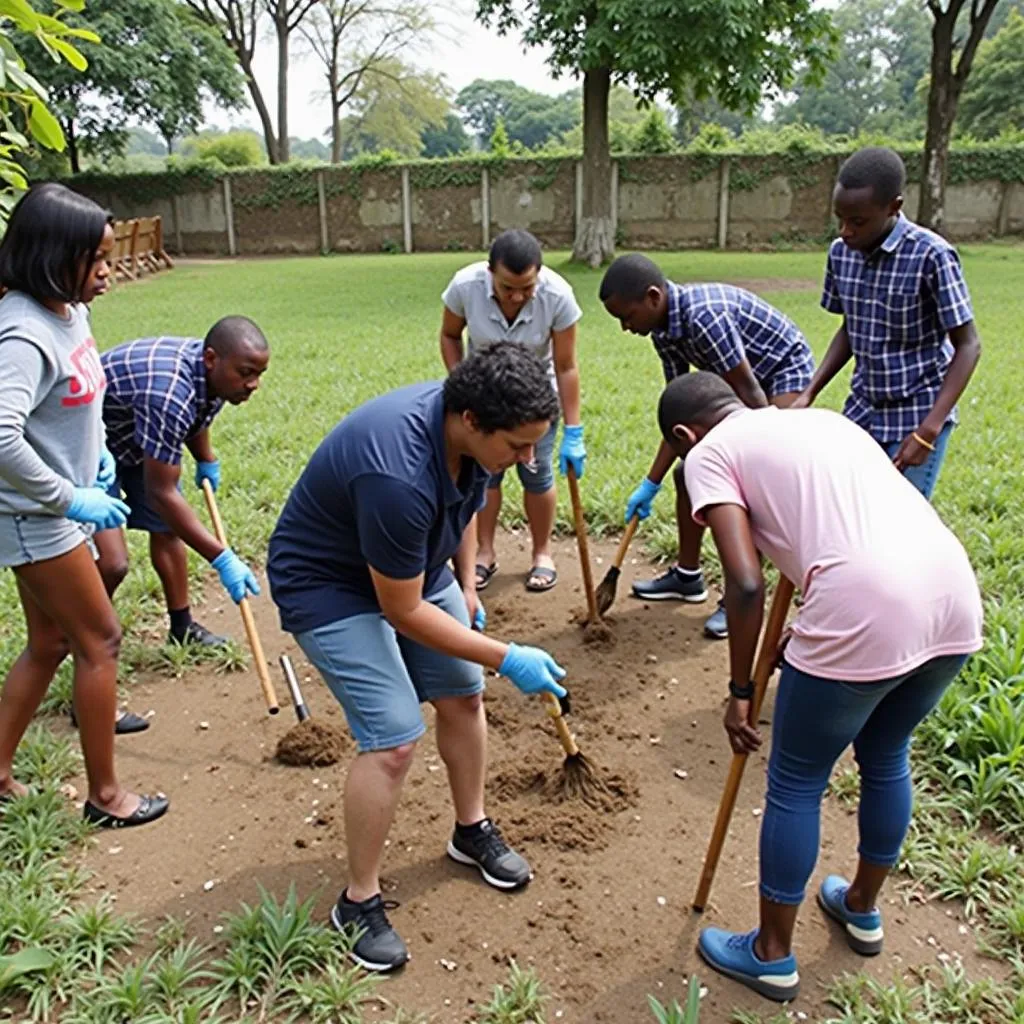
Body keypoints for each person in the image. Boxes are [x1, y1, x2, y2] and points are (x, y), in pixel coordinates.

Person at [655, 372, 982, 1003]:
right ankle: (860, 907)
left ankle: (772, 955)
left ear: (682, 434)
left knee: (797, 779)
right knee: (887, 755)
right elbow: (830, 534)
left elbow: (745, 583)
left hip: (867, 608)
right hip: (952, 597)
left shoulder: (709, 455)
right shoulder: (821, 419)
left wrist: (742, 688)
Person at [268, 342, 568, 974]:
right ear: (470, 421)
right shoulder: (398, 472)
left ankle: (470, 831)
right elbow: (401, 611)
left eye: (535, 444)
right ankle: (358, 901)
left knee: (462, 692)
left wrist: (462, 581)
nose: (528, 459)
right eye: (518, 446)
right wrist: (507, 654)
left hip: (412, 565)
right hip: (327, 583)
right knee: (394, 736)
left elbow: (462, 499)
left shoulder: (475, 436)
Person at [0, 183, 168, 828]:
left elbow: (83, 395)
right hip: (33, 515)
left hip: (58, 506)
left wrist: (94, 459)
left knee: (47, 643)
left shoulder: (70, 311)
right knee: (99, 638)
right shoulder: (21, 332)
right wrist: (68, 495)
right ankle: (106, 797)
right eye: (94, 259)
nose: (107, 270)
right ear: (50, 254)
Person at [599, 254, 815, 639]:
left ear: (653, 297)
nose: (625, 328)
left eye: (627, 316)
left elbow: (750, 391)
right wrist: (651, 483)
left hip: (779, 374)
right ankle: (687, 577)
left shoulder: (704, 317)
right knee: (689, 470)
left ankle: (741, 599)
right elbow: (678, 411)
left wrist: (759, 457)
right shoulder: (663, 332)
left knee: (751, 486)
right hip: (733, 386)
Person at [792, 146, 981, 500]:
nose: (846, 231)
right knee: (852, 511)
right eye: (840, 219)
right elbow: (853, 327)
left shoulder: (932, 256)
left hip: (917, 411)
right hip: (864, 407)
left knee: (900, 522)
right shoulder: (840, 253)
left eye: (858, 222)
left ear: (894, 207)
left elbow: (969, 345)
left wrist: (928, 430)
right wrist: (809, 392)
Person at [95, 320, 269, 653]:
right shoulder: (170, 393)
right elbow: (162, 493)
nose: (253, 384)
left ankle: (181, 627)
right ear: (210, 359)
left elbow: (197, 413)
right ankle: (86, 641)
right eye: (247, 373)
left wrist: (206, 458)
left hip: (135, 436)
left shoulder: (219, 376)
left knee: (168, 529)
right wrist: (221, 557)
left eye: (259, 374)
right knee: (112, 562)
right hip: (90, 447)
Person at [440, 229, 584, 593]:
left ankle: (542, 553)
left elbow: (566, 366)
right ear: (490, 273)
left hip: (536, 402)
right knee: (484, 477)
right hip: (485, 402)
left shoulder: (558, 296)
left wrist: (574, 429)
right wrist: (463, 384)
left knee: (537, 475)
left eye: (527, 287)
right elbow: (449, 335)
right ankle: (484, 553)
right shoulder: (464, 286)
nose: (518, 296)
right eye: (507, 288)